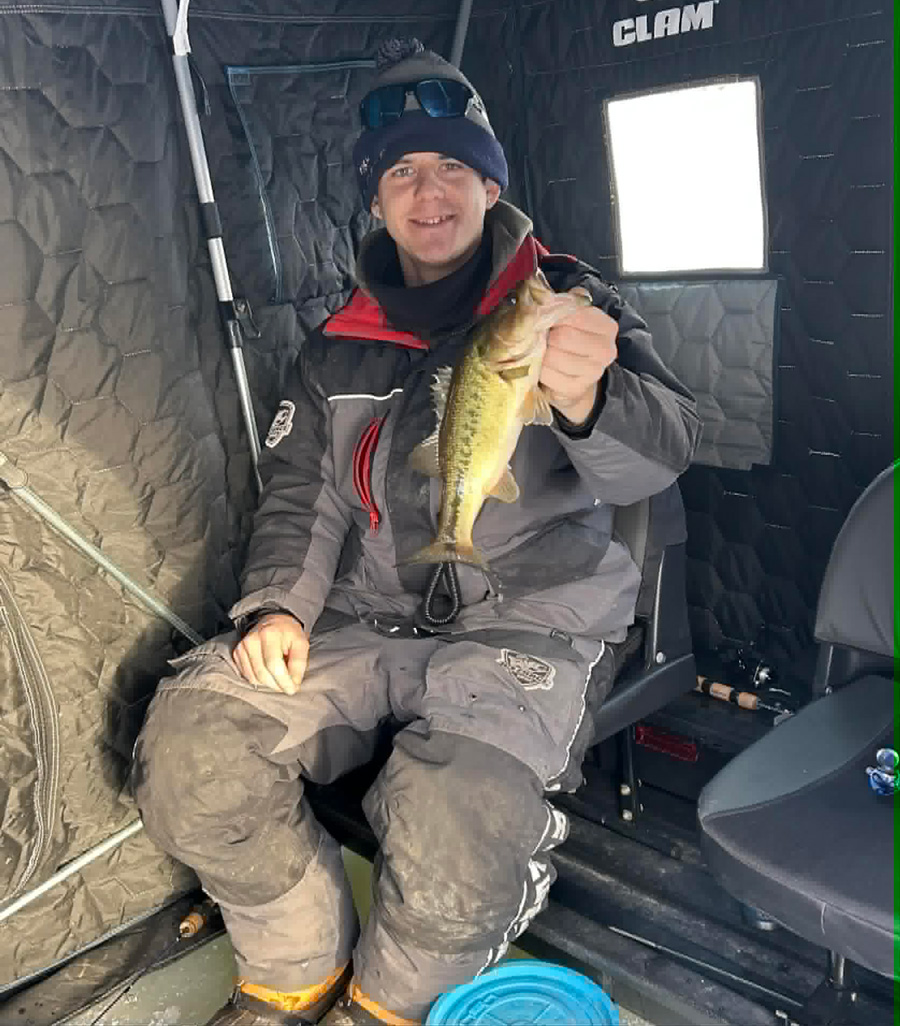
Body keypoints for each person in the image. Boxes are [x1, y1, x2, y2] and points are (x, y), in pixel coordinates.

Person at [132, 37, 701, 1026]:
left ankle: (388, 1007)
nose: (427, 190)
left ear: (489, 183)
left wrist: (592, 396)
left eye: (451, 166)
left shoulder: (569, 303)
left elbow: (661, 453)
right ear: (376, 199)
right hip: (362, 622)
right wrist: (278, 607)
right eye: (401, 171)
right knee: (194, 739)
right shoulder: (333, 347)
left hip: (526, 620)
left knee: (463, 810)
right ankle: (294, 964)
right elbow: (301, 498)